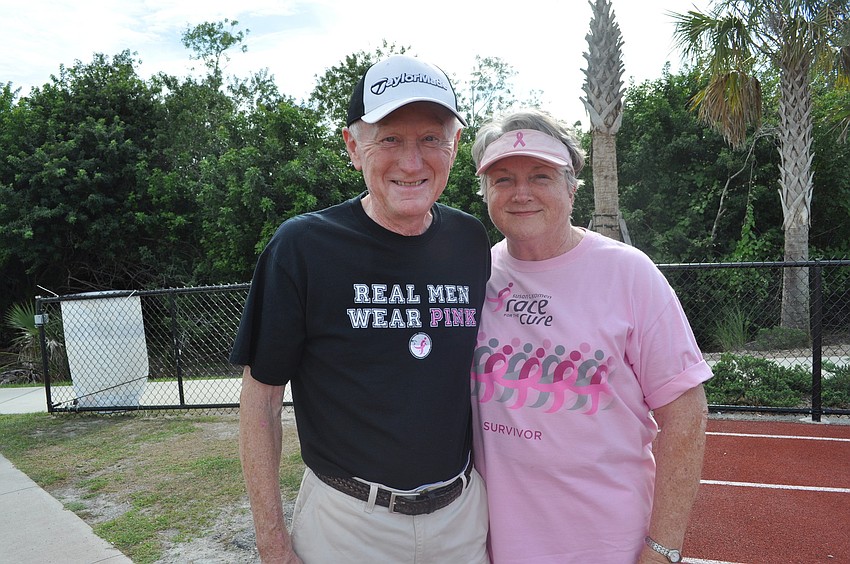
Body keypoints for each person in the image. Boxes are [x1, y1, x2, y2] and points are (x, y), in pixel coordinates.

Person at [230, 54, 491, 564]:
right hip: (348, 526)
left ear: (454, 147)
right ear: (353, 147)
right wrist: (273, 545)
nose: (412, 162)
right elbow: (261, 399)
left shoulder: (470, 239)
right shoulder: (303, 246)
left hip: (461, 518)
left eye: (431, 138)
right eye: (389, 138)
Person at [470, 109, 712, 564]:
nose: (521, 193)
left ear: (571, 187)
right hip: (491, 546)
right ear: (485, 192)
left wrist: (662, 549)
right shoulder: (471, 276)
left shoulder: (629, 273)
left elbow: (686, 415)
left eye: (541, 176)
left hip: (607, 544)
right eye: (502, 179)